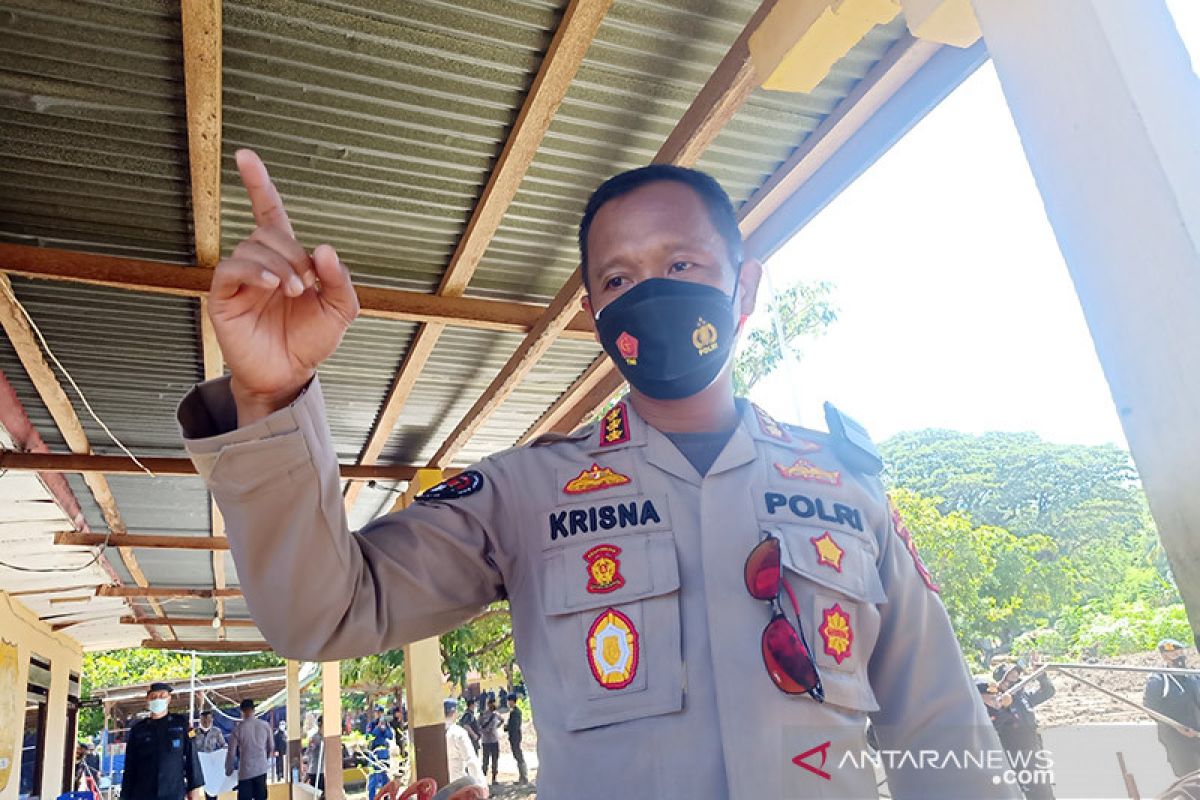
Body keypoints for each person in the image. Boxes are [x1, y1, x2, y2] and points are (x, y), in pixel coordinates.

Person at [177, 150, 1017, 799]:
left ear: (745, 287)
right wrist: (272, 392)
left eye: (683, 264)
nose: (652, 290)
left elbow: (943, 732)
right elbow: (324, 614)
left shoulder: (846, 487)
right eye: (619, 277)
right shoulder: (523, 495)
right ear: (595, 317)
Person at [120, 682, 204, 800]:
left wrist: (194, 795)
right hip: (143, 794)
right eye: (153, 697)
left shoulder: (181, 724)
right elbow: (130, 768)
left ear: (169, 699)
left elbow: (192, 762)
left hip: (173, 793)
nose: (157, 699)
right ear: (147, 700)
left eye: (162, 696)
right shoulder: (138, 729)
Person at [991, 664, 1055, 800]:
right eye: (1010, 675)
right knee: (1024, 789)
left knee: (1043, 789)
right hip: (1015, 752)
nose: (1015, 677)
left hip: (1034, 748)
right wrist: (1004, 705)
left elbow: (1048, 691)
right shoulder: (995, 702)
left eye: (1016, 674)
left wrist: (1041, 675)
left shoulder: (1023, 696)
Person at [1144, 639, 1200, 778]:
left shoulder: (1193, 676)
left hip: (1197, 735)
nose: (1179, 656)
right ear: (1164, 656)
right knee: (1189, 778)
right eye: (1173, 653)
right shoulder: (1159, 679)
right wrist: (1177, 727)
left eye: (1180, 652)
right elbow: (1151, 709)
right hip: (1177, 740)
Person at [226, 699, 273, 800]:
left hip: (246, 771)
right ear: (254, 710)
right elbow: (271, 747)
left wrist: (228, 769)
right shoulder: (265, 725)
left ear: (241, 712)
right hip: (261, 769)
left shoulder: (238, 729)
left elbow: (231, 753)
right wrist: (265, 758)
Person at [444, 699, 485, 785]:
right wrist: (481, 784)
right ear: (454, 712)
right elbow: (471, 761)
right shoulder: (458, 732)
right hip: (458, 784)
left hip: (442, 785)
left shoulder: (437, 733)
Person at [193, 711, 227, 800]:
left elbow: (223, 745)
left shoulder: (216, 731)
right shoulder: (193, 732)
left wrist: (225, 751)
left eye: (208, 719)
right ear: (200, 720)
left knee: (211, 787)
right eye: (204, 719)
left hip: (211, 763)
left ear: (212, 720)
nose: (206, 722)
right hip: (199, 763)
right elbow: (189, 744)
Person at [365, 706, 394, 800]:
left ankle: (386, 797)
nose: (378, 714)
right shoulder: (371, 725)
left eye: (380, 713)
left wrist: (384, 729)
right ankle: (372, 798)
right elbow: (368, 737)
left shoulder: (386, 724)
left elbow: (390, 736)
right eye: (377, 713)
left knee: (385, 776)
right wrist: (378, 728)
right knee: (373, 778)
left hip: (384, 753)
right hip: (374, 753)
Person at [503, 693, 527, 785]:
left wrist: (507, 727)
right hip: (514, 736)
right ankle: (522, 777)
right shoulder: (514, 711)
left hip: (515, 736)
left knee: (519, 756)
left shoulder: (516, 712)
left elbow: (515, 726)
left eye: (509, 701)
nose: (508, 703)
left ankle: (524, 777)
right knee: (517, 756)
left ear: (512, 701)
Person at [478, 698, 502, 785]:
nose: (493, 705)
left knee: (495, 760)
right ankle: (483, 779)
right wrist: (485, 731)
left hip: (494, 740)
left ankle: (494, 778)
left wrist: (496, 728)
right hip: (486, 741)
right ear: (488, 704)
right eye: (492, 704)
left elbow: (502, 720)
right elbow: (479, 726)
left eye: (494, 704)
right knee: (485, 761)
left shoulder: (496, 714)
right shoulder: (482, 715)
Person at [304, 715, 325, 794]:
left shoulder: (325, 737)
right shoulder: (315, 738)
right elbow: (308, 753)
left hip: (323, 771)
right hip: (316, 772)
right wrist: (307, 772)